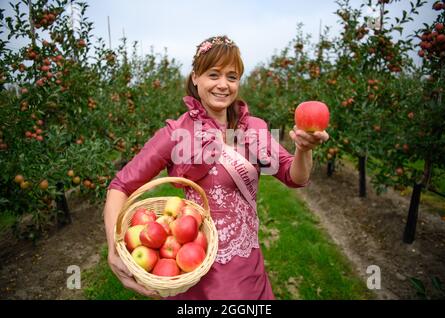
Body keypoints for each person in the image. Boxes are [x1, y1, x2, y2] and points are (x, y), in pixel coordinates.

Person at [103, 35, 329, 300]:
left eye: (232, 77)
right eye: (213, 74)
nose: (223, 85)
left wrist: (304, 148)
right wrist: (113, 248)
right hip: (193, 266)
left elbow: (294, 177)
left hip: (247, 269)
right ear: (195, 77)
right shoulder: (176, 134)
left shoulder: (253, 129)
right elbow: (120, 186)